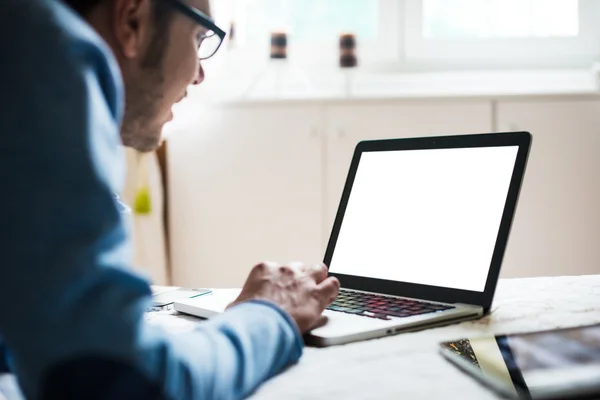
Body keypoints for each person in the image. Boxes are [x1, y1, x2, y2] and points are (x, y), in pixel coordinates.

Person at [0, 0, 340, 398]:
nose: (199, 75)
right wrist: (270, 314)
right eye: (199, 37)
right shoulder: (44, 50)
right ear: (133, 20)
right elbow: (121, 382)